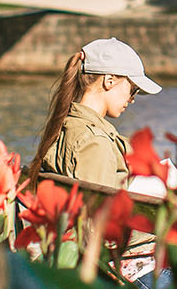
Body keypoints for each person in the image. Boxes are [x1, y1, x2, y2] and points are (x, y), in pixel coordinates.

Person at [28, 37, 162, 188]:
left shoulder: (63, 125)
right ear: (109, 81)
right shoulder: (95, 143)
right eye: (132, 90)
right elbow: (98, 207)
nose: (132, 99)